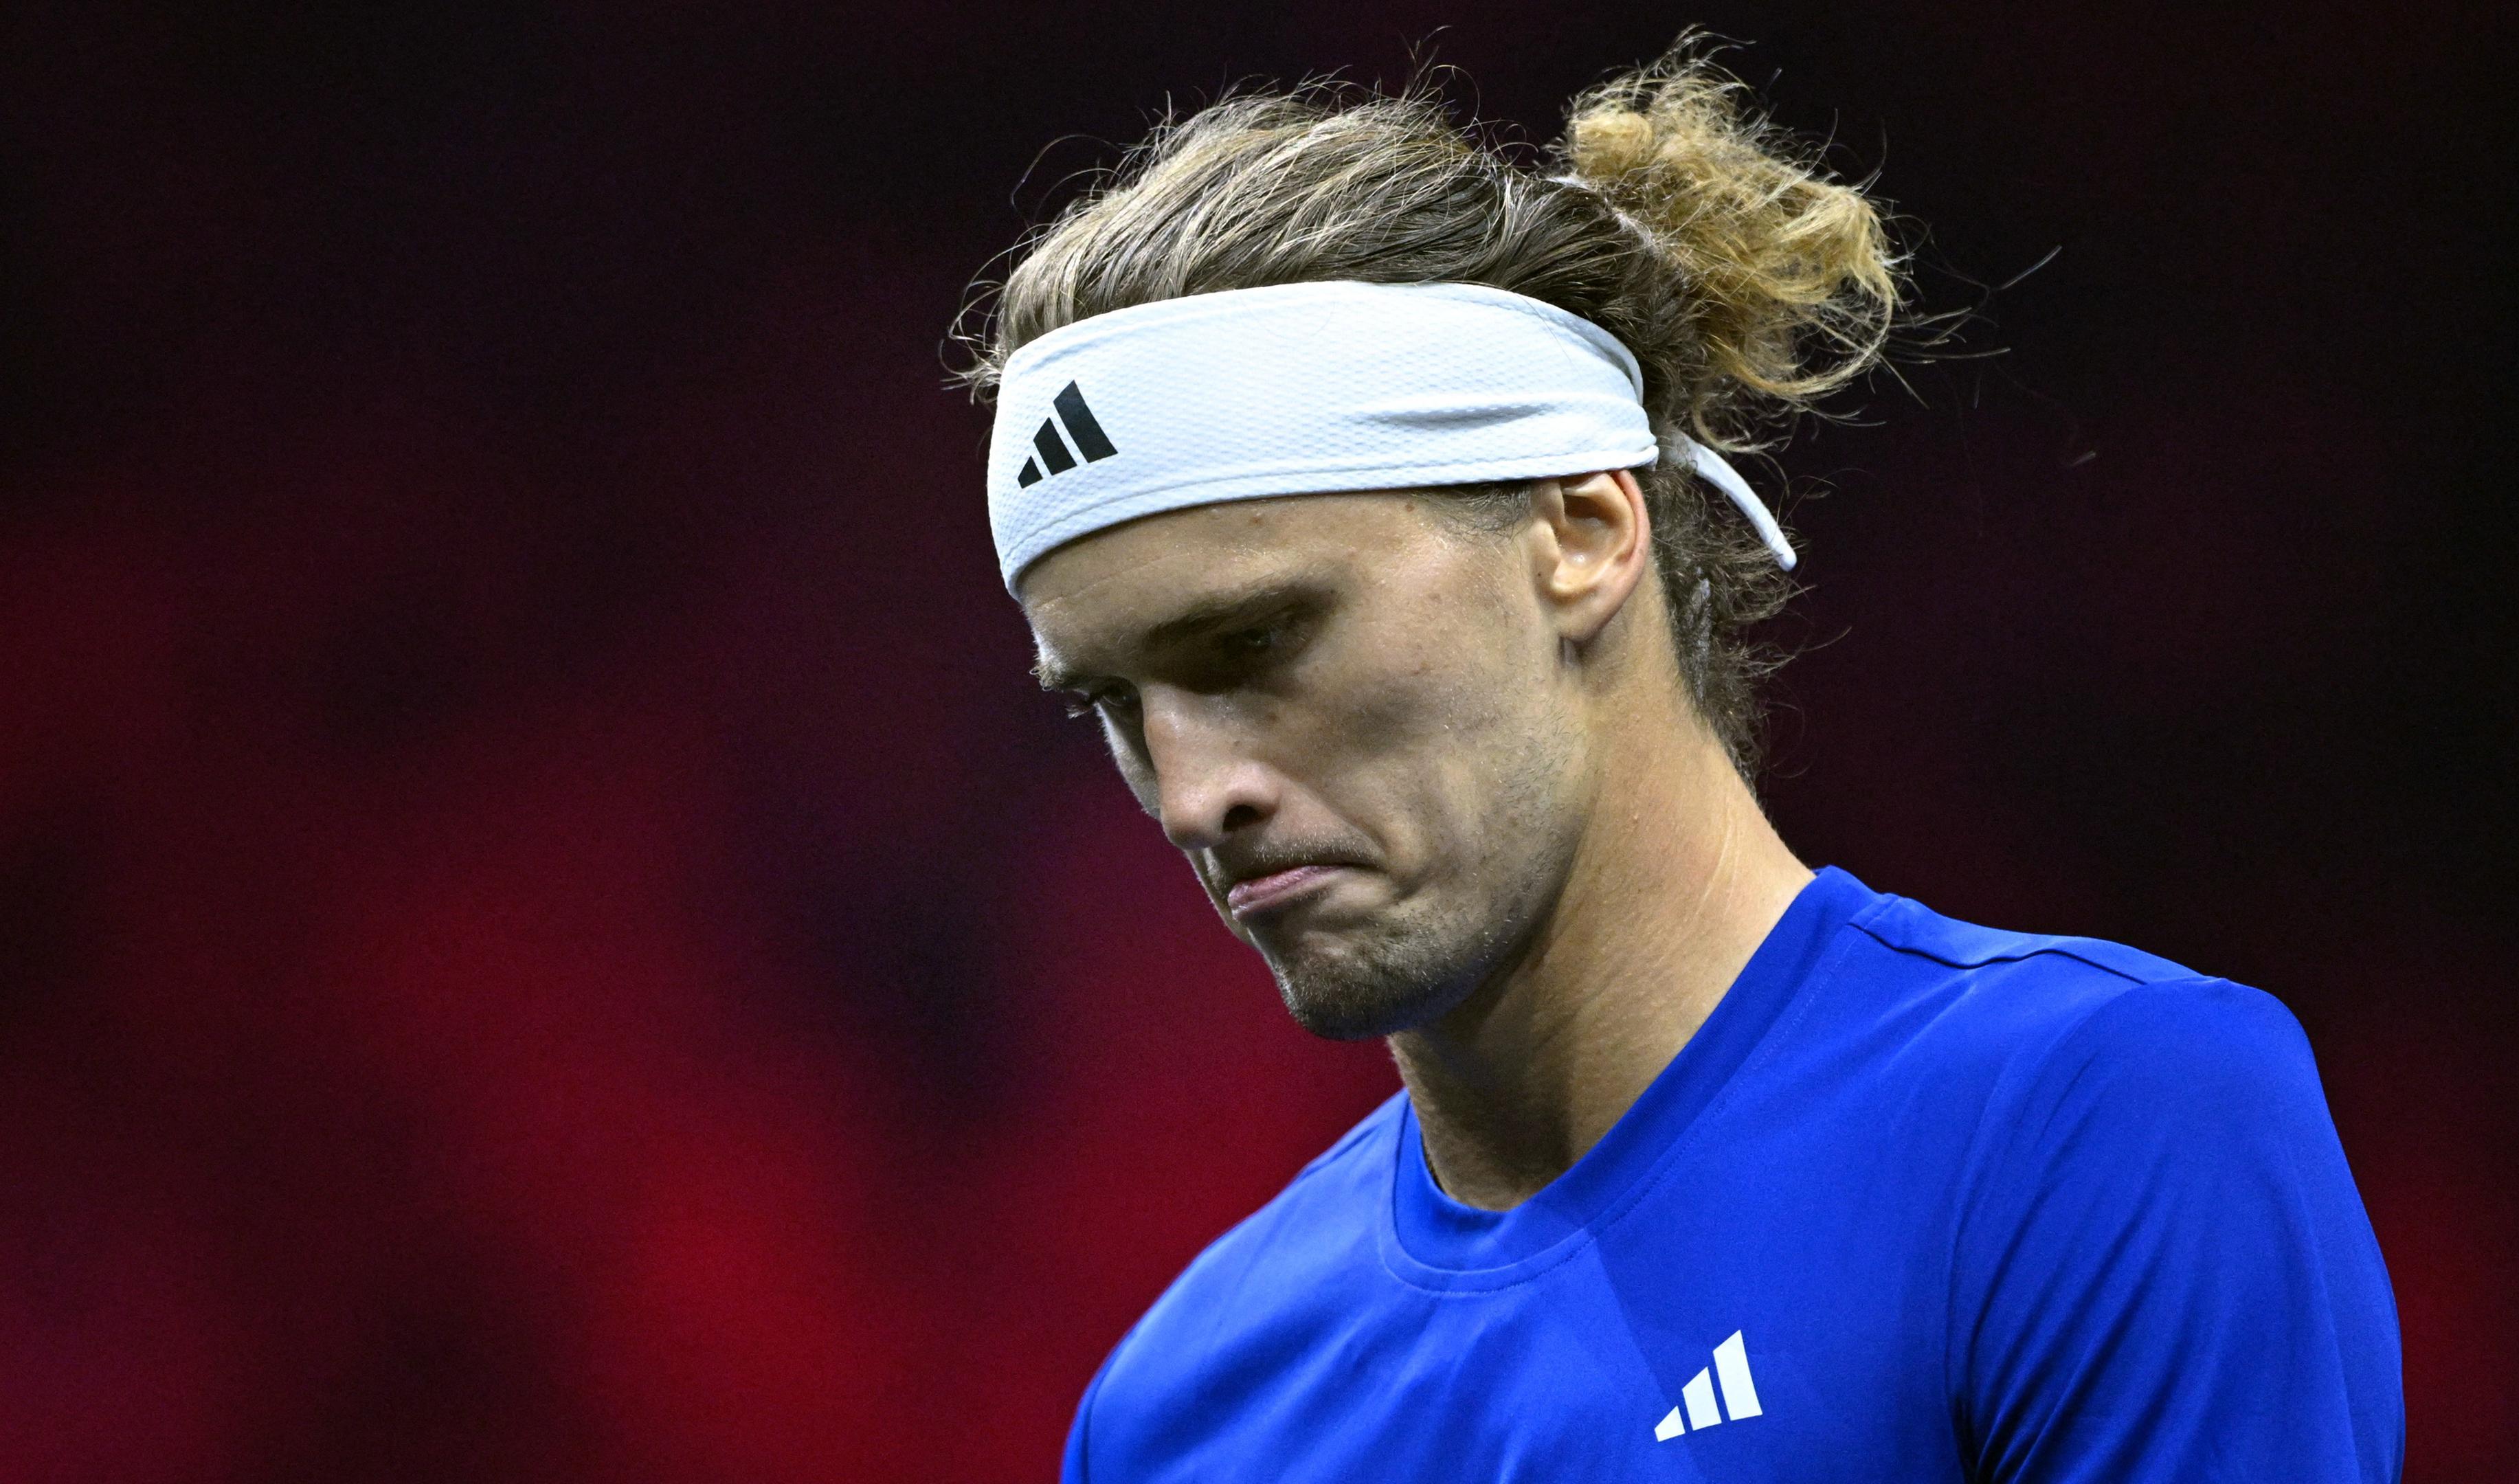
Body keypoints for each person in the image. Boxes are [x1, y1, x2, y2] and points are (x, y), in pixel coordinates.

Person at [958, 43, 2402, 1483]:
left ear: (1582, 531)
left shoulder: (2094, 1131)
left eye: (1258, 643)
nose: (1196, 795)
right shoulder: (1175, 1415)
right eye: (1110, 703)